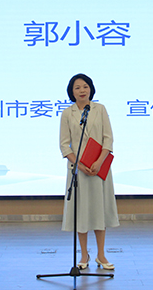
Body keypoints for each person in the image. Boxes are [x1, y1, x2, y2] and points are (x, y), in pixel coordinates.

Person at [59, 73, 119, 271]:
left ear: (91, 89)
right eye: (77, 87)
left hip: (98, 169)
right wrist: (79, 164)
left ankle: (101, 255)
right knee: (81, 213)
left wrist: (99, 162)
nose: (82, 90)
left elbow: (108, 138)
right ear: (71, 92)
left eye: (85, 86)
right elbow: (64, 145)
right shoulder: (67, 114)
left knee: (98, 212)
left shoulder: (100, 109)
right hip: (79, 171)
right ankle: (84, 255)